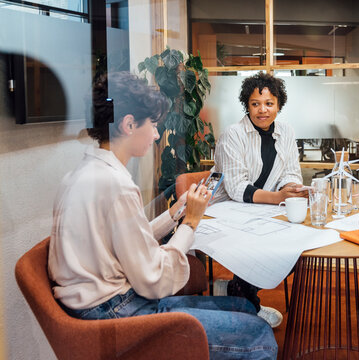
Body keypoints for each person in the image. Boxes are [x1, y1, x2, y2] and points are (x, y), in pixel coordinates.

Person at [48, 72, 278, 360]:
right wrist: (191, 222)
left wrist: (175, 212)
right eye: (153, 125)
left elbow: (131, 240)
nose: (157, 135)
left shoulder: (83, 174)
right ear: (129, 124)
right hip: (116, 314)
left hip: (100, 305)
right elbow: (154, 278)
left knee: (245, 308)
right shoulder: (116, 185)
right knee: (259, 335)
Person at [212, 72, 306, 328]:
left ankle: (238, 291)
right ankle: (245, 302)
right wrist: (278, 198)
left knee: (294, 248)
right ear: (247, 105)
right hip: (227, 208)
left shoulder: (286, 131)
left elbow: (291, 172)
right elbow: (235, 187)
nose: (262, 110)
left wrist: (290, 189)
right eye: (255, 104)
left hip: (262, 208)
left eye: (269, 103)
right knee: (259, 243)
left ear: (278, 105)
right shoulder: (233, 133)